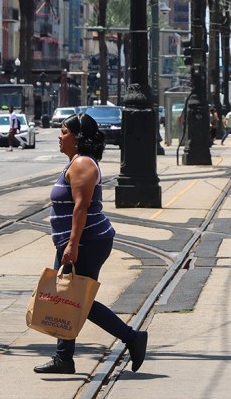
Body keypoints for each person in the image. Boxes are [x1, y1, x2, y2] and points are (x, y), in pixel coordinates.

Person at [34, 114, 148, 375]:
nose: (60, 137)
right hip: (78, 241)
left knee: (76, 299)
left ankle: (131, 337)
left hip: (86, 242)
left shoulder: (83, 164)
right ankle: (64, 358)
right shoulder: (76, 162)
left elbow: (81, 208)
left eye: (64, 132)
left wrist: (72, 245)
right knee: (68, 297)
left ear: (77, 137)